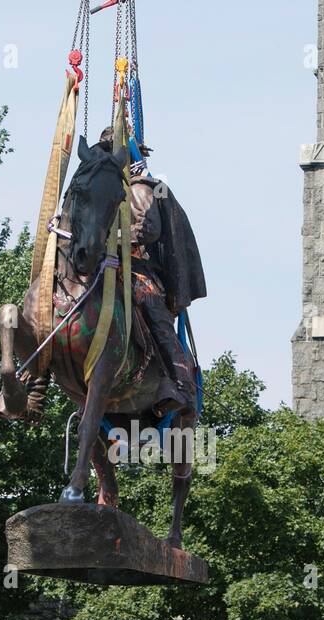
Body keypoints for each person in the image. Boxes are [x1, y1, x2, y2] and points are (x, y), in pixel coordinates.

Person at [96, 126, 202, 416]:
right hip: (98, 268)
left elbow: (150, 230)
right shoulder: (97, 186)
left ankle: (180, 383)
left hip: (136, 270)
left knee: (151, 306)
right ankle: (35, 380)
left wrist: (110, 239)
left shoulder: (143, 187)